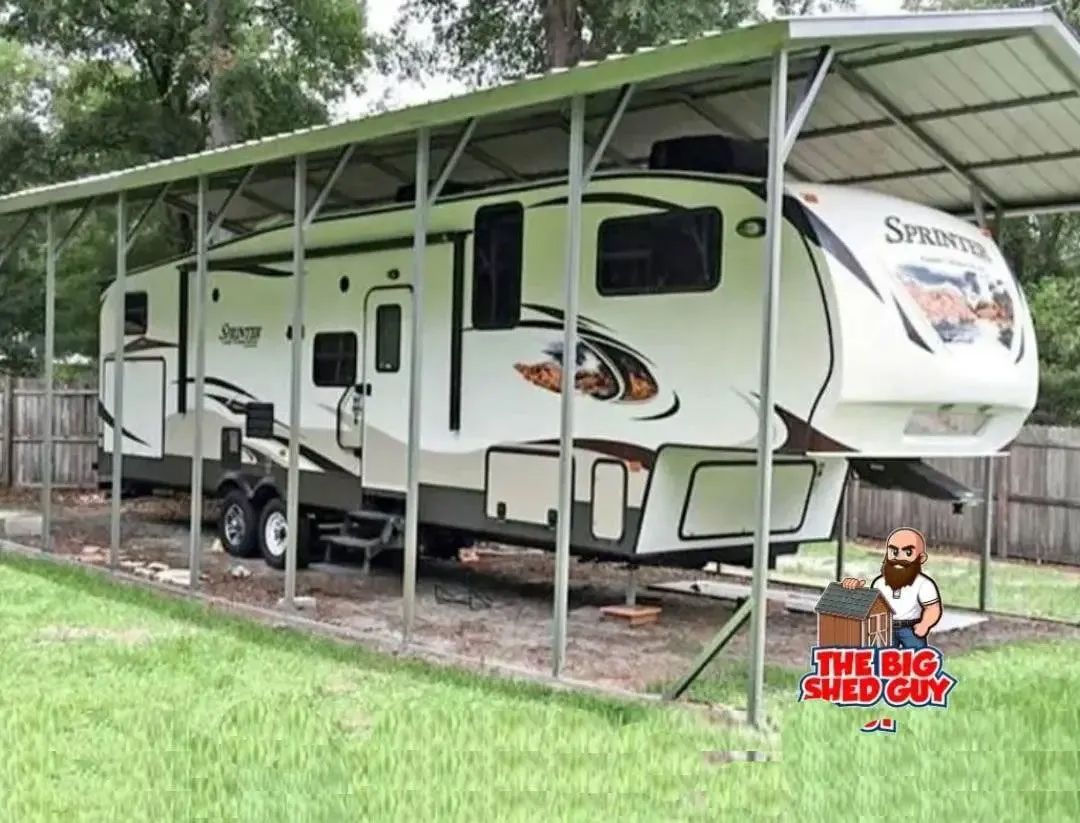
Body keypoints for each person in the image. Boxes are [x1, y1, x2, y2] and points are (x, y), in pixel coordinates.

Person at [841, 527, 942, 649]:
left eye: (908, 553)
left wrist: (924, 625)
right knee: (880, 657)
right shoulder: (879, 583)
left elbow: (932, 608)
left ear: (921, 558)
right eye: (894, 552)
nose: (898, 558)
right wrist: (856, 590)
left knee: (917, 657)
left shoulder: (924, 584)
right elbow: (872, 606)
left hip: (911, 629)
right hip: (884, 627)